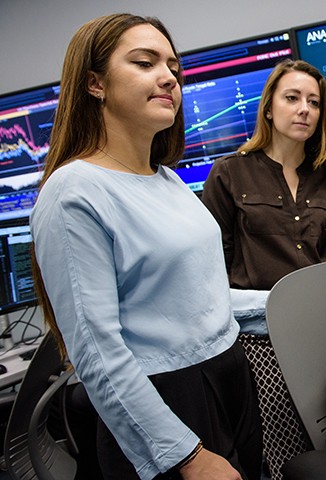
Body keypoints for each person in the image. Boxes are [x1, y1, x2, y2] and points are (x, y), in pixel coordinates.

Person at [30, 14, 261, 480]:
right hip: (164, 402)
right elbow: (97, 354)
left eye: (173, 67)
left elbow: (199, 299)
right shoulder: (74, 192)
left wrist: (305, 300)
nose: (169, 78)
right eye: (144, 62)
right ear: (95, 84)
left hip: (229, 377)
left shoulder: (168, 180)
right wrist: (187, 456)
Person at [201, 59, 326, 476]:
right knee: (283, 450)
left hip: (319, 331)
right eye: (292, 98)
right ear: (269, 107)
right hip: (258, 341)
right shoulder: (229, 173)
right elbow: (212, 266)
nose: (304, 109)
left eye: (314, 102)